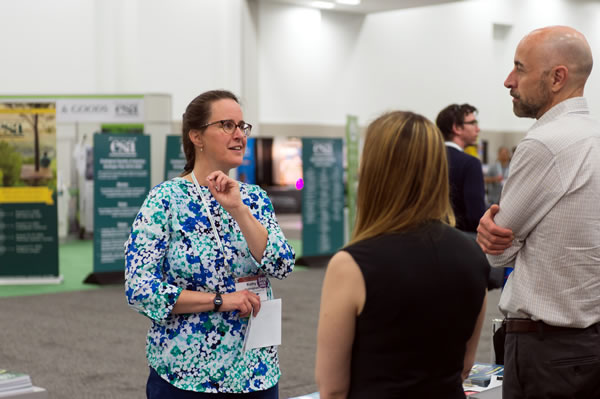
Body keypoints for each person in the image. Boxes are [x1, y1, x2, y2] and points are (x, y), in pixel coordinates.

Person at [125, 89, 295, 398]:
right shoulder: (166, 200)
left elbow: (282, 265)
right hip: (187, 377)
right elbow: (140, 288)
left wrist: (239, 209)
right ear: (196, 137)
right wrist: (220, 300)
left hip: (256, 373)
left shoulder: (254, 199)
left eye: (242, 126)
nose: (239, 135)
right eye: (227, 125)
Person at [315, 111, 489, 398]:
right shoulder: (473, 254)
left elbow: (332, 388)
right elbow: (465, 366)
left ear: (374, 172)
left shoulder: (351, 264)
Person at [476, 26, 600, 398]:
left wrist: (496, 236)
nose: (508, 81)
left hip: (547, 350)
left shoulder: (545, 144)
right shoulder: (593, 135)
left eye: (520, 68)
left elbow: (498, 252)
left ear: (557, 78)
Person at [436, 103, 486, 234]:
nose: (478, 129)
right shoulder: (470, 164)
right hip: (461, 239)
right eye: (473, 123)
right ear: (457, 128)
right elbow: (476, 216)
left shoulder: (427, 158)